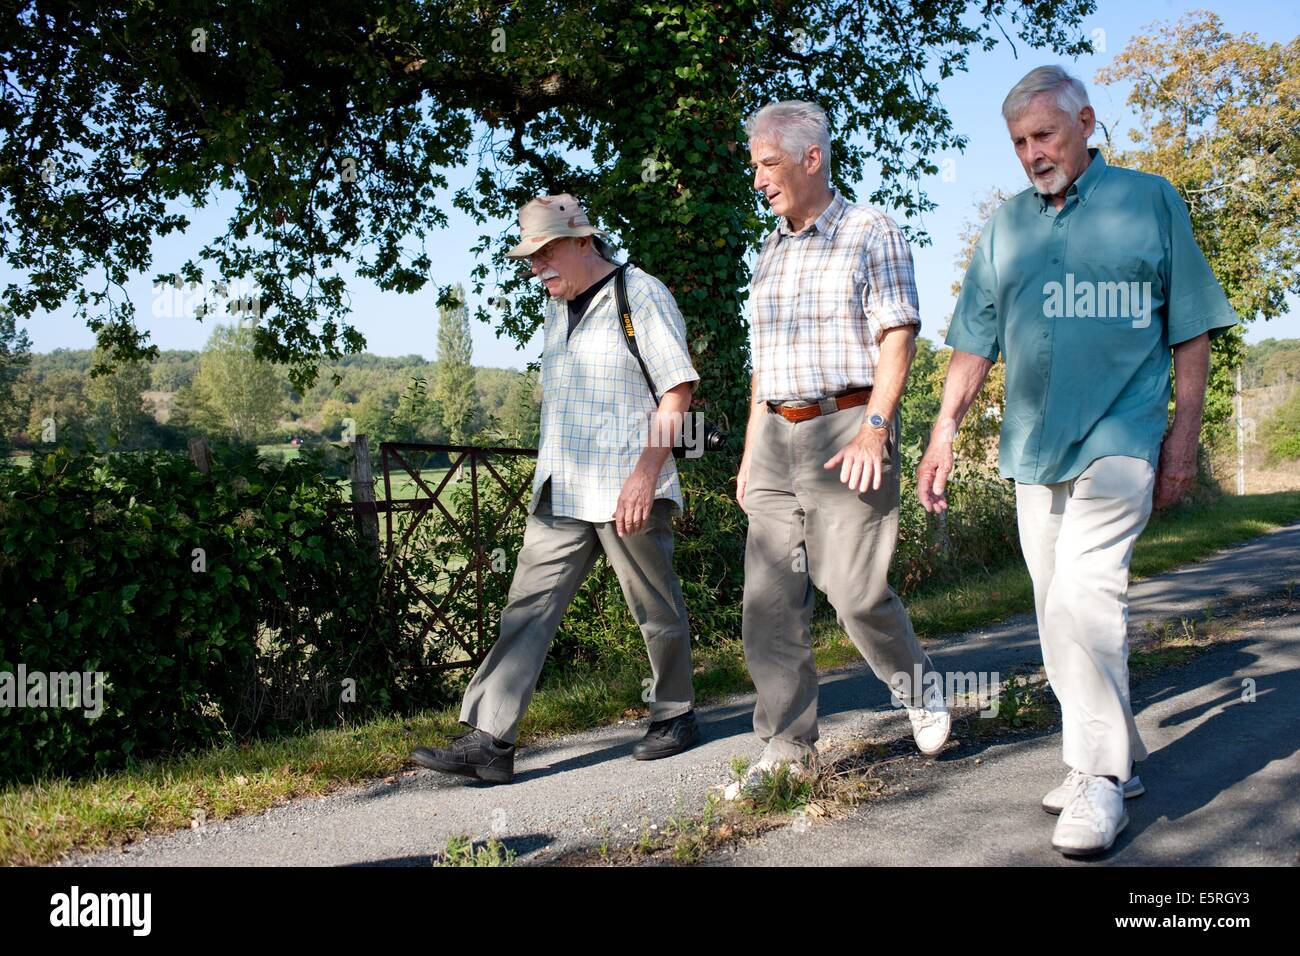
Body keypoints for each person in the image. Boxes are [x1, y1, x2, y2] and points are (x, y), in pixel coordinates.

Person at [918, 66, 1238, 855]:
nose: (1032, 153)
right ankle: (1113, 755)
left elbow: (1190, 325)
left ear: (1086, 123)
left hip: (1123, 434)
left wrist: (1183, 437)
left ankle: (1096, 777)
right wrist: (944, 429)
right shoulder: (1005, 227)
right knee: (1052, 602)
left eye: (1045, 135)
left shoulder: (1150, 199)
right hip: (1032, 444)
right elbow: (973, 338)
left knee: (1085, 596)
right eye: (1020, 142)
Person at [412, 194, 701, 784]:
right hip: (563, 487)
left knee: (655, 607)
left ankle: (675, 712)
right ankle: (490, 741)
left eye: (544, 253)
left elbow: (678, 392)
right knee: (526, 609)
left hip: (628, 485)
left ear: (581, 240)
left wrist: (646, 473)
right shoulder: (556, 308)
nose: (535, 267)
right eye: (528, 258)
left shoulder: (639, 294)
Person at [730, 100, 950, 796]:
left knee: (854, 590)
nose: (758, 179)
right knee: (768, 603)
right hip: (774, 435)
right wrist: (747, 452)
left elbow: (897, 334)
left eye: (767, 164)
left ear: (811, 159)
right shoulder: (769, 250)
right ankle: (787, 750)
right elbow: (762, 367)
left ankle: (917, 688)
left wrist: (876, 427)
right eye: (754, 165)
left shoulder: (868, 230)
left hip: (846, 427)